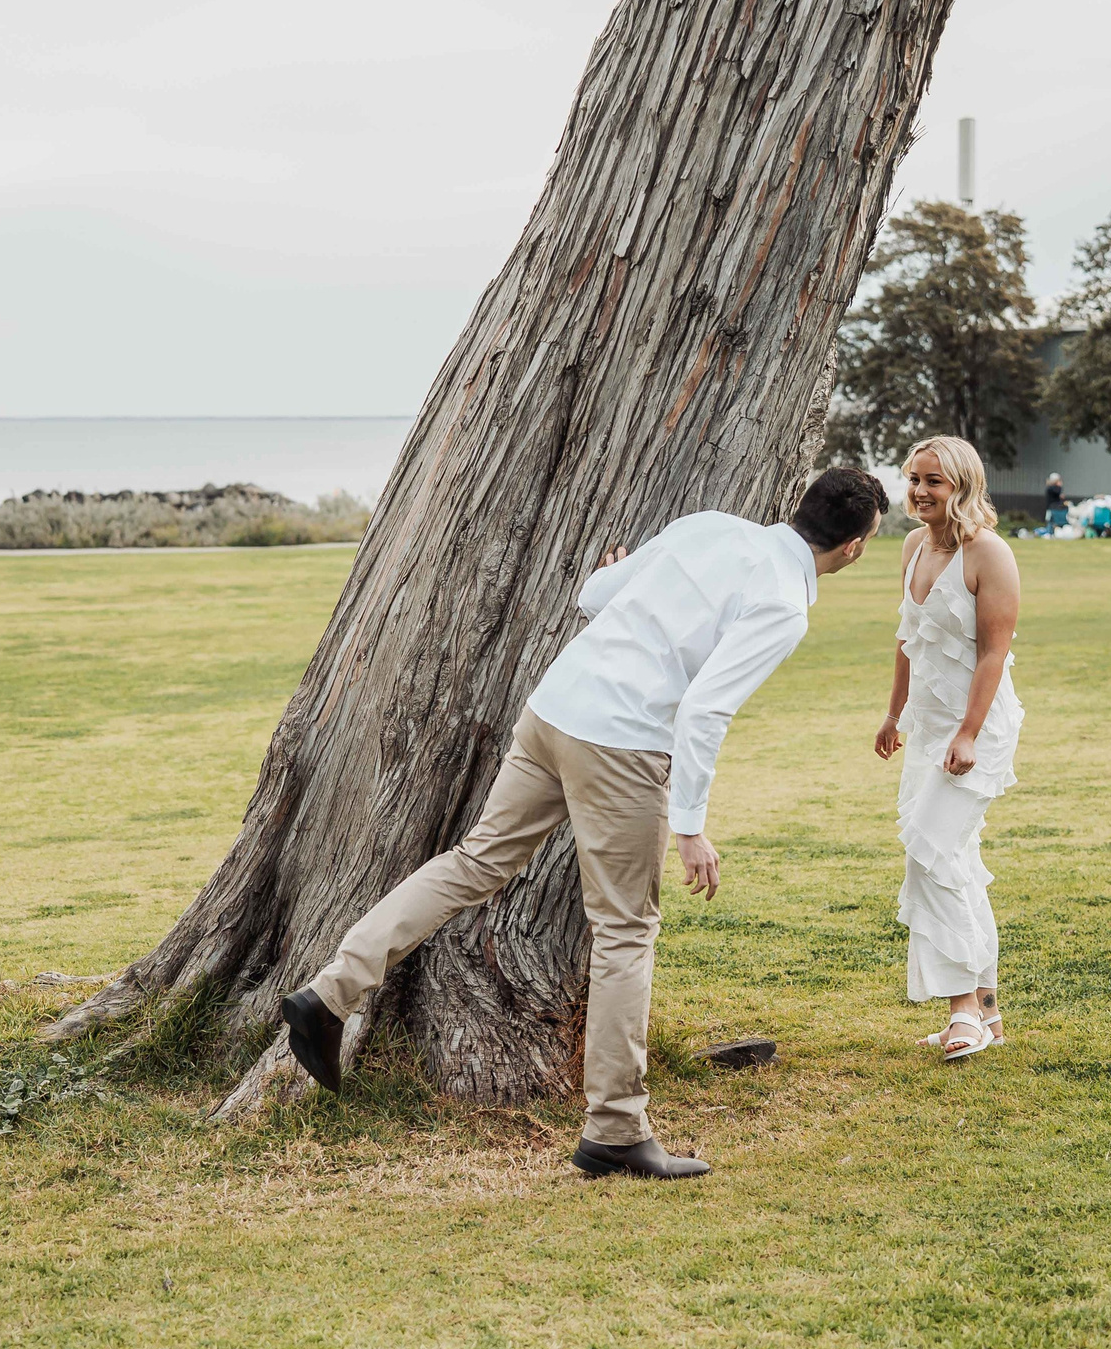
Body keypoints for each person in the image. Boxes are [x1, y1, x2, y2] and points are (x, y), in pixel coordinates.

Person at [278, 468, 892, 1180]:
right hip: (621, 743)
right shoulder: (786, 602)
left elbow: (593, 594)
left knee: (475, 860)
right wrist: (691, 825)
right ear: (852, 546)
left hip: (554, 711)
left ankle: (330, 993)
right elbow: (704, 710)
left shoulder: (708, 525)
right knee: (626, 929)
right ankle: (615, 1128)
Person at [873, 436, 1021, 1061]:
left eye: (934, 480)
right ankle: (987, 1010)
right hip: (928, 728)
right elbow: (909, 637)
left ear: (962, 485)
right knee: (951, 859)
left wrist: (968, 732)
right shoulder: (911, 547)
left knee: (930, 855)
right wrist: (893, 713)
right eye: (913, 479)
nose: (920, 491)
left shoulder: (988, 553)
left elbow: (992, 652)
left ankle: (962, 1010)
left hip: (976, 729)